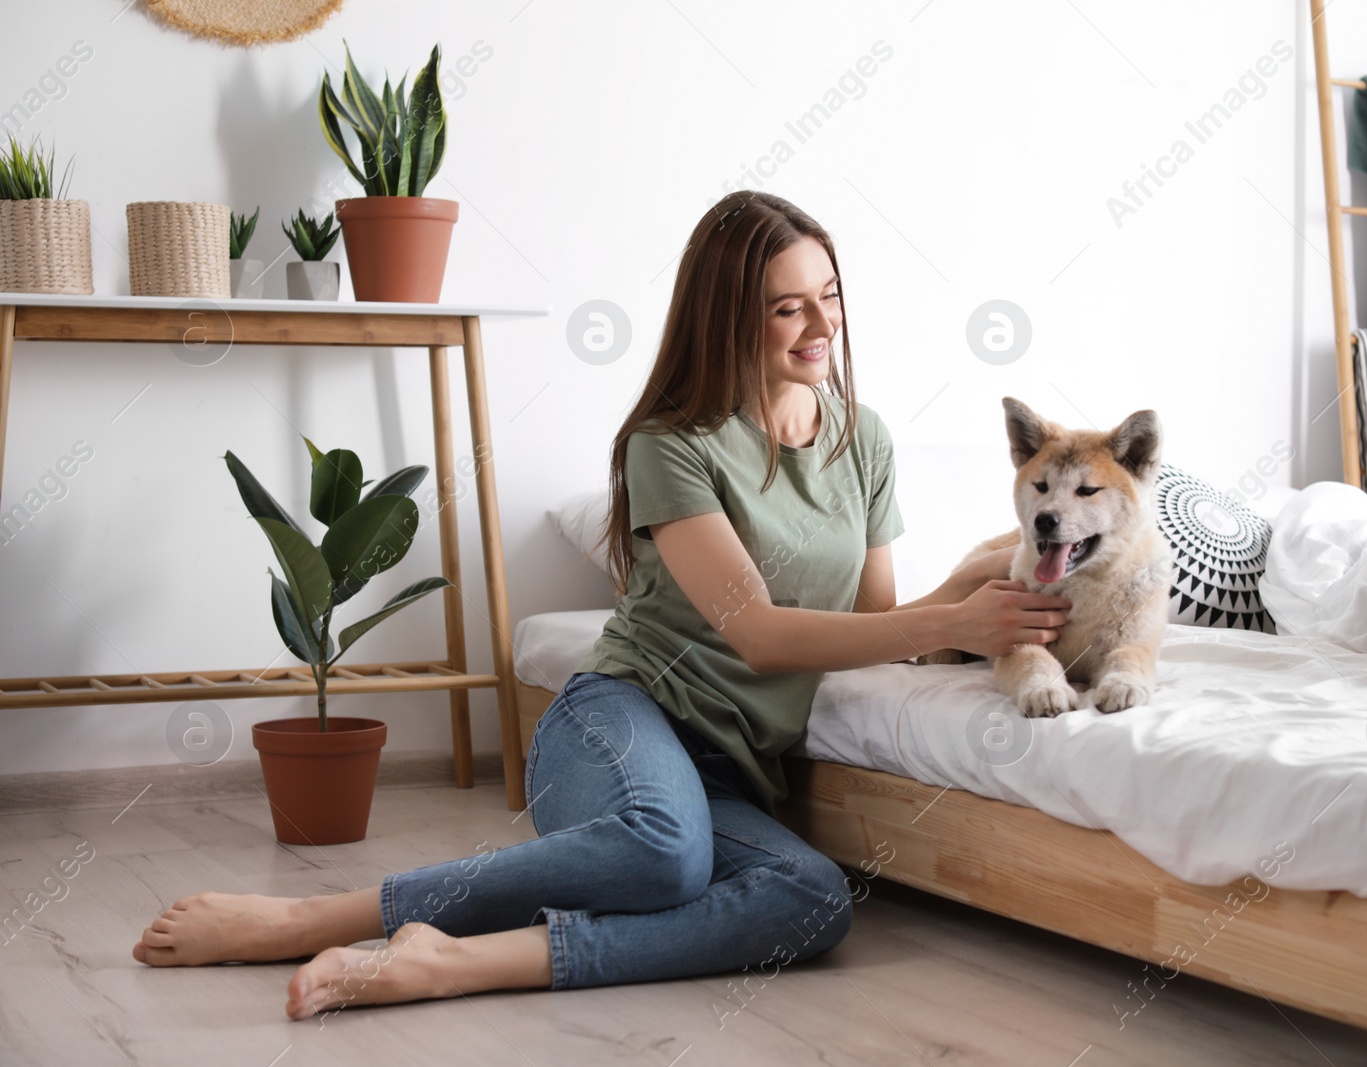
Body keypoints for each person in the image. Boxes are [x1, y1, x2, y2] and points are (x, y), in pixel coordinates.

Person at [131, 191, 1071, 1019]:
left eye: (829, 295)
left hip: (734, 774)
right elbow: (760, 632)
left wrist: (992, 585)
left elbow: (873, 621)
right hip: (617, 721)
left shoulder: (863, 439)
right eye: (787, 306)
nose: (819, 323)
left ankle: (447, 960)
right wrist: (950, 623)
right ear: (726, 318)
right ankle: (309, 917)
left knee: (813, 901)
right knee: (666, 856)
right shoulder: (671, 443)